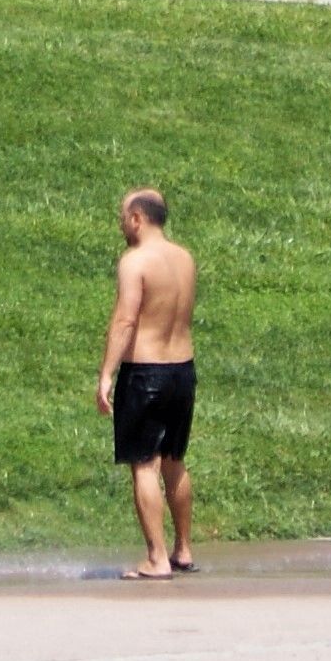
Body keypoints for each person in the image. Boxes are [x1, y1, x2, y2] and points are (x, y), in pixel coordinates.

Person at [98, 188, 198, 581]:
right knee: (174, 460)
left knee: (144, 464)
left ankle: (156, 558)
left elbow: (125, 320)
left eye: (123, 217)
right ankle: (183, 550)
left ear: (137, 218)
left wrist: (106, 374)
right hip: (182, 370)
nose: (122, 225)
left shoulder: (135, 261)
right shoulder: (184, 258)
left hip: (146, 373)